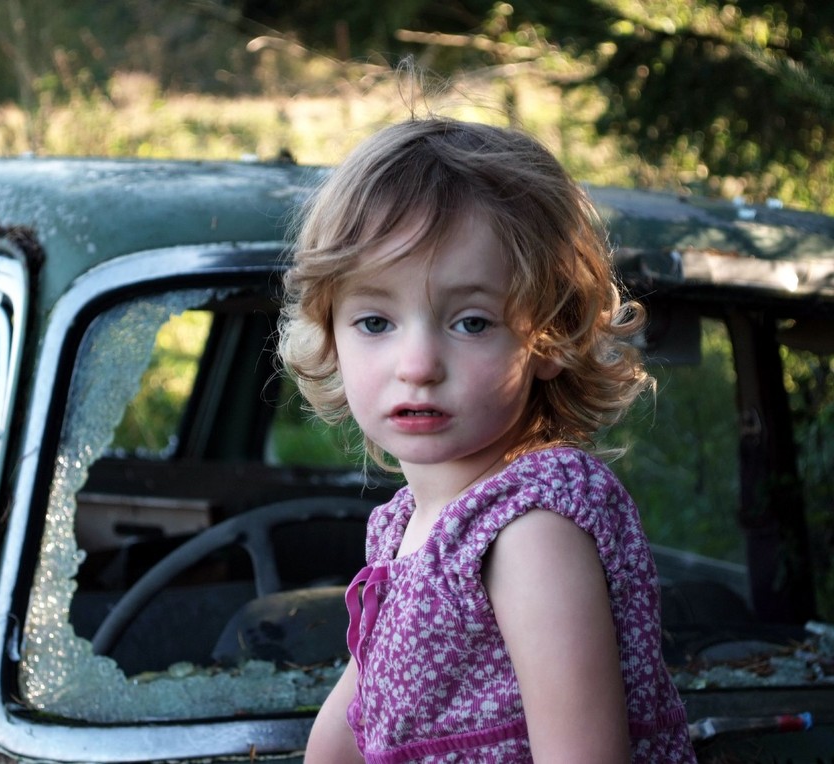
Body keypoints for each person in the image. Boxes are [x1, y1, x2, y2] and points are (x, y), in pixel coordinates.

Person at [277, 117, 697, 763]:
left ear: (551, 338)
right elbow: (344, 733)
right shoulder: (404, 528)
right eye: (374, 321)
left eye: (471, 322)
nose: (417, 363)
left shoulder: (532, 526)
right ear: (330, 336)